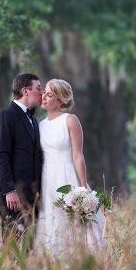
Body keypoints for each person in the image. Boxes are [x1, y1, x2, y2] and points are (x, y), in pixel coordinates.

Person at [35, 78, 104, 255]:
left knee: (73, 224)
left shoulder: (70, 120)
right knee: (50, 223)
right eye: (44, 93)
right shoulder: (39, 125)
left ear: (61, 100)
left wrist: (82, 187)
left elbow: (78, 155)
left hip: (67, 176)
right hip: (46, 179)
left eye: (49, 95)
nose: (43, 97)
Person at [0, 73, 43, 243]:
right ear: (25, 91)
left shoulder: (34, 121)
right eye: (38, 88)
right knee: (11, 249)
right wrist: (9, 190)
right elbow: (0, 156)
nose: (42, 92)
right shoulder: (6, 116)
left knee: (29, 251)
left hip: (33, 197)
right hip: (13, 198)